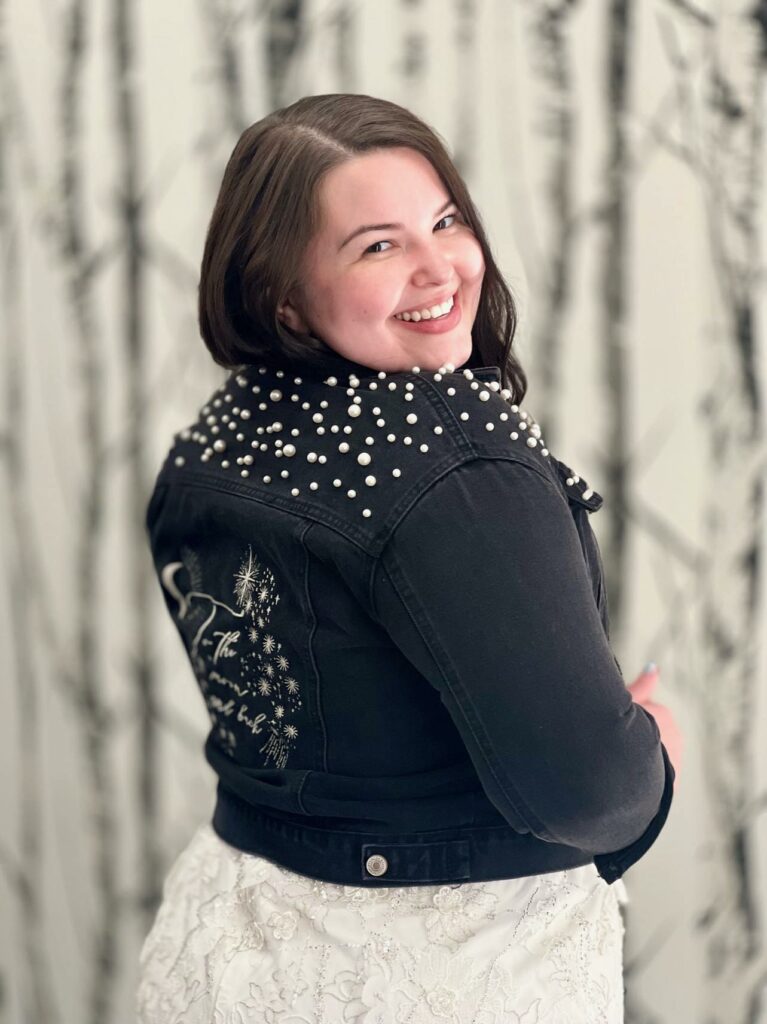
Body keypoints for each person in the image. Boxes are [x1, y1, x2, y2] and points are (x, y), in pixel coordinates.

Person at [136, 93, 682, 1023]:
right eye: (377, 246)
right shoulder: (451, 456)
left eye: (445, 221)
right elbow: (590, 789)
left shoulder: (224, 432)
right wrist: (651, 754)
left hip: (228, 939)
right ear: (284, 295)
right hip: (441, 971)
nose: (440, 269)